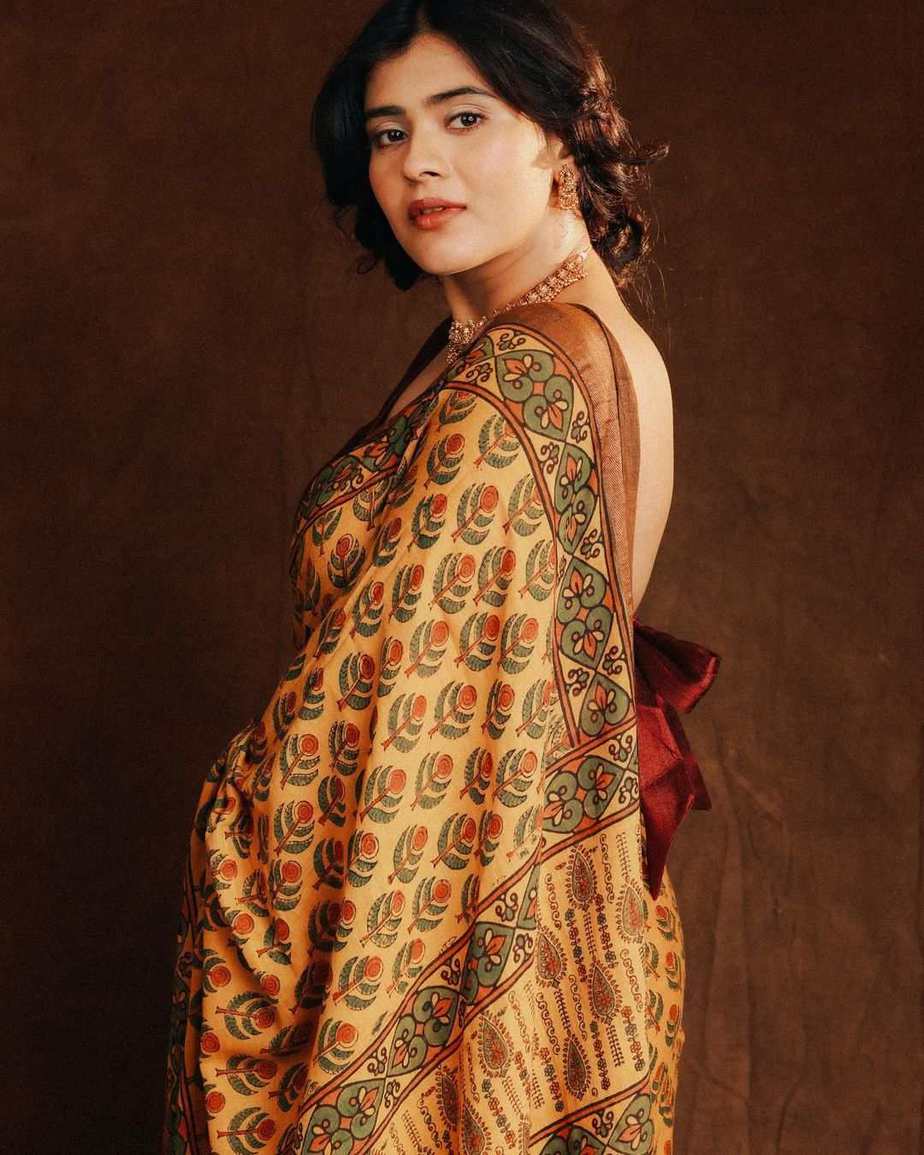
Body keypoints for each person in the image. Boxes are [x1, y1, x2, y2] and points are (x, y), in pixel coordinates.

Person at [162, 2, 720, 1152]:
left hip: (468, 968)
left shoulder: (524, 375)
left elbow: (384, 728)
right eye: (387, 132)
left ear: (560, 132)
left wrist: (234, 809)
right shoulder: (534, 340)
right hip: (537, 946)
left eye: (463, 117)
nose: (418, 160)